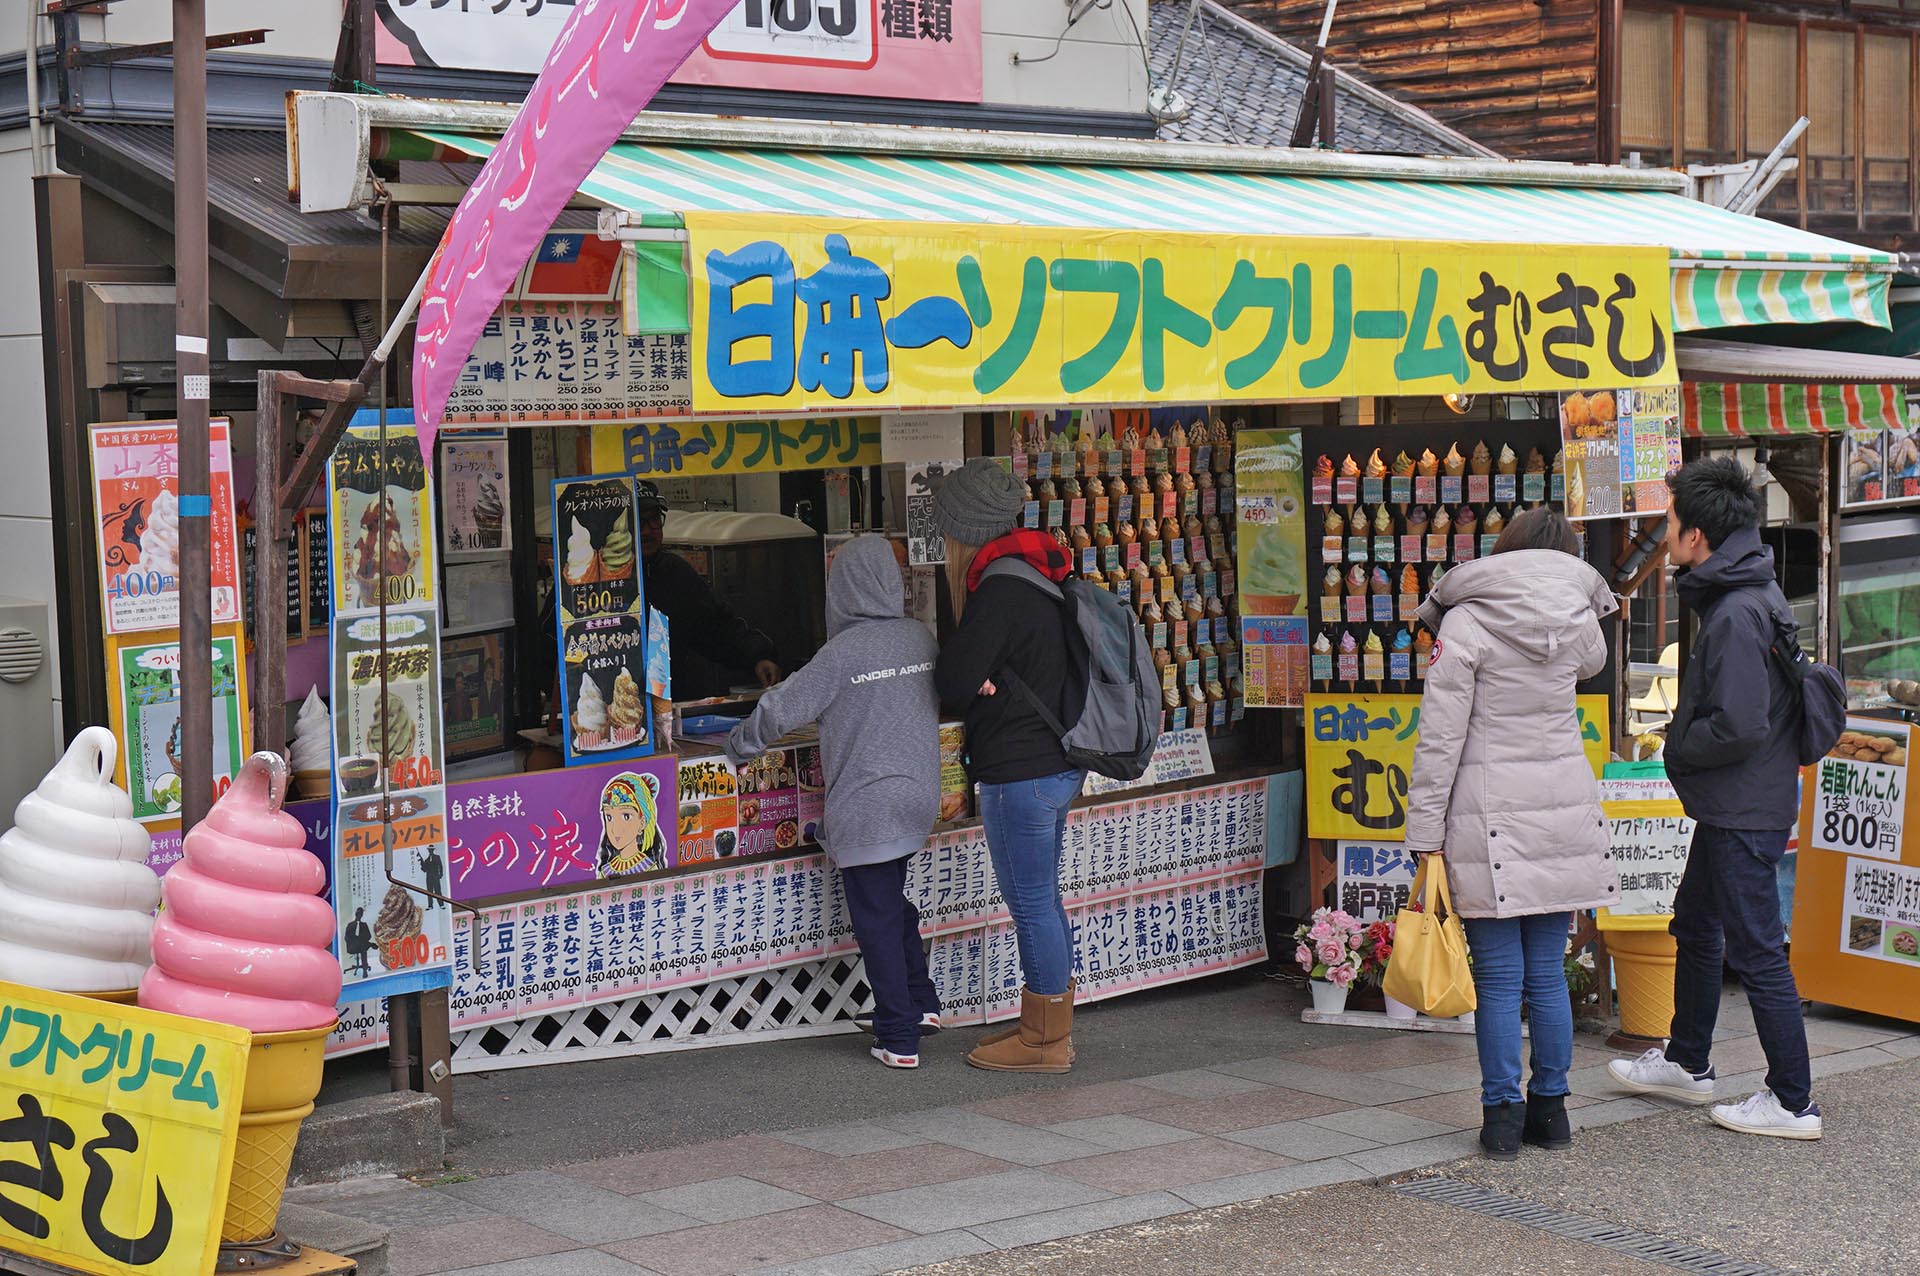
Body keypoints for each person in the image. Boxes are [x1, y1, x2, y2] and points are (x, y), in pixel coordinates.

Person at [1608, 458, 1820, 1140]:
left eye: (1670, 522)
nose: (1664, 533)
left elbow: (1739, 725)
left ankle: (1792, 1101)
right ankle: (1687, 1061)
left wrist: (1677, 745)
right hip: (1740, 801)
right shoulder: (1751, 590)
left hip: (1743, 808)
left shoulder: (1734, 611)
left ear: (1696, 535)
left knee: (1757, 950)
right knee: (1696, 925)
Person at [1404, 507, 1620, 1159]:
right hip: (1562, 808)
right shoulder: (1577, 620)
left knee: (1499, 978)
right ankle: (1552, 1112)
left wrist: (1424, 831)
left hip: (1488, 811)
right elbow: (1591, 663)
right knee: (1547, 973)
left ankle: (1501, 1117)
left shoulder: (1467, 621)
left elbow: (1440, 739)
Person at [725, 535, 943, 1069]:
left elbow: (779, 710)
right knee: (891, 904)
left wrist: (737, 747)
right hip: (918, 797)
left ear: (842, 589)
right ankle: (922, 1003)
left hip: (868, 806)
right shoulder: (920, 638)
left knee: (875, 919)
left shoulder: (841, 654)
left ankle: (898, 1036)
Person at [930, 459, 1084, 1074]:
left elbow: (952, 681)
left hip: (1019, 771)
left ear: (961, 529)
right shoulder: (1040, 572)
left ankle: (1044, 1041)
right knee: (1044, 898)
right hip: (1054, 764)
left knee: (1032, 904)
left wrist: (977, 677)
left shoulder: (997, 588)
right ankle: (1047, 1026)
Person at [636, 481, 781, 700]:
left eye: (654, 519)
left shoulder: (674, 572)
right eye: (638, 521)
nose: (648, 530)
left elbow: (716, 626)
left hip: (670, 706)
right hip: (613, 708)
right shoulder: (597, 582)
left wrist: (758, 656)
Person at [598, 772, 668, 876]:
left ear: (642, 823)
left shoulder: (649, 868)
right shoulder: (605, 872)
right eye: (609, 817)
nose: (615, 829)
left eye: (626, 816)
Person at [344, 907, 373, 976]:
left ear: (362, 915)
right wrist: (353, 941)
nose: (359, 915)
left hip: (362, 944)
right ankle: (365, 967)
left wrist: (362, 939)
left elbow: (369, 936)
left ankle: (365, 970)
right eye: (358, 913)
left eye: (360, 913)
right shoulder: (350, 925)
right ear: (355, 914)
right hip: (352, 945)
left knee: (363, 948)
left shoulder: (364, 925)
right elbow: (346, 937)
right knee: (363, 947)